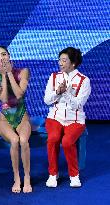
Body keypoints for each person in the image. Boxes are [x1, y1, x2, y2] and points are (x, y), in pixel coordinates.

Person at [44, 47, 91, 188]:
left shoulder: (84, 80)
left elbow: (78, 105)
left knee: (67, 142)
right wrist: (57, 92)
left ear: (73, 63)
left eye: (64, 60)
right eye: (60, 60)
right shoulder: (54, 77)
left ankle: (74, 175)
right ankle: (53, 174)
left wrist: (66, 93)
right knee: (52, 139)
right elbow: (47, 100)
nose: (60, 63)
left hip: (75, 119)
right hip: (55, 117)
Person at [0, 46, 32, 193]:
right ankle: (17, 177)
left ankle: (27, 176)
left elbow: (19, 94)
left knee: (23, 141)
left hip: (22, 116)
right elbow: (3, 98)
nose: (1, 58)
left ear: (9, 56)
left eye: (3, 54)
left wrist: (9, 73)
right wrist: (3, 75)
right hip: (4, 119)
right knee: (14, 141)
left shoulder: (23, 72)